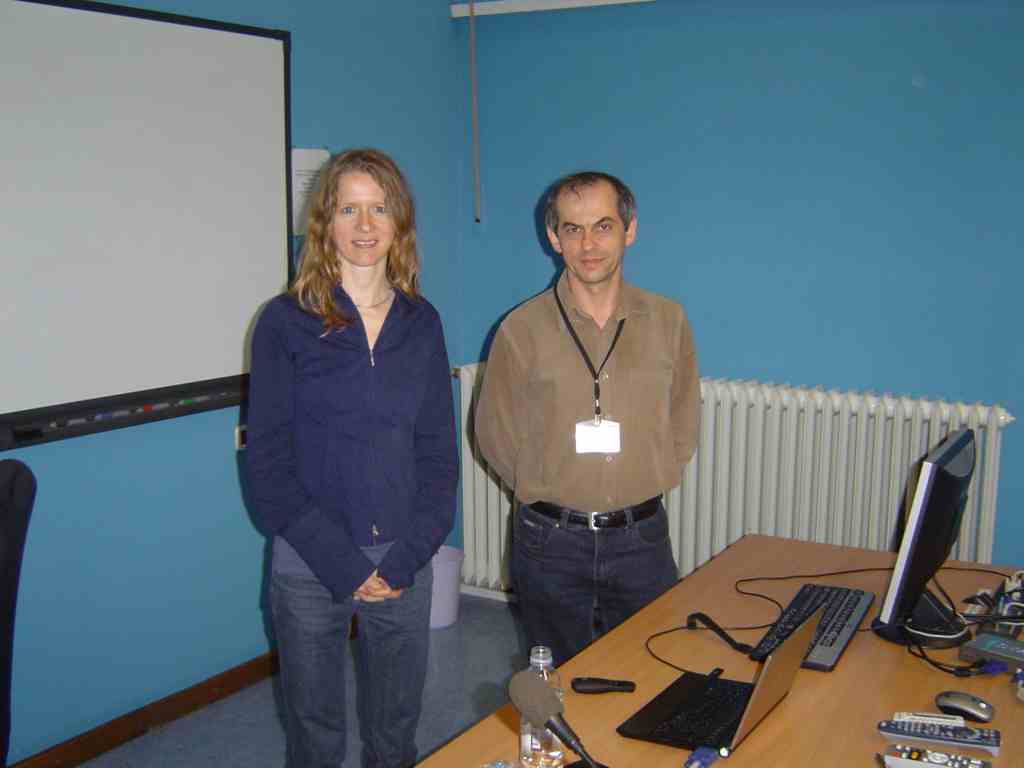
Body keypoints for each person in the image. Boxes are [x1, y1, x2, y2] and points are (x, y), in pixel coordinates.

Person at [245, 148, 458, 768]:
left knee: (395, 732)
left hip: (403, 561)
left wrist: (406, 558)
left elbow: (438, 455)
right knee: (315, 735)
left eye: (379, 209)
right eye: (348, 209)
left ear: (399, 221)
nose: (365, 225)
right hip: (310, 562)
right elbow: (268, 467)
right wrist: (342, 563)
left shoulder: (422, 322)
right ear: (325, 223)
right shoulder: (283, 323)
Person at [474, 171, 700, 666]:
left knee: (651, 672)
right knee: (556, 682)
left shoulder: (668, 321)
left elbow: (684, 415)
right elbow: (494, 431)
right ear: (554, 238)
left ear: (629, 230)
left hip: (641, 538)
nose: (588, 244)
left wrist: (655, 473)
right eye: (573, 229)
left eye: (603, 226)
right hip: (549, 541)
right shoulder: (520, 329)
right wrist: (545, 487)